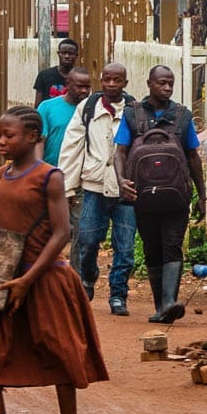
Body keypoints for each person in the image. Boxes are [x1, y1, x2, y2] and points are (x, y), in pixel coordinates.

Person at [0, 105, 109, 414]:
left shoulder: (50, 176)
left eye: (10, 135)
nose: (2, 141)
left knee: (59, 347)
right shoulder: (0, 175)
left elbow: (61, 232)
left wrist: (29, 279)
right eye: (0, 135)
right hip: (5, 277)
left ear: (34, 137)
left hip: (47, 277)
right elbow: (11, 220)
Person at [114, 65, 207, 323]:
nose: (167, 88)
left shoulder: (182, 116)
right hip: (142, 197)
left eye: (170, 83)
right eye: (162, 83)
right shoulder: (132, 114)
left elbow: (192, 156)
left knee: (172, 246)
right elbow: (121, 151)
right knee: (152, 248)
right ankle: (161, 307)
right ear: (149, 83)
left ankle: (168, 302)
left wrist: (202, 196)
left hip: (177, 197)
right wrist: (121, 181)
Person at [59, 63, 137, 315]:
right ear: (101, 81)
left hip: (125, 190)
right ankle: (88, 277)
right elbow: (72, 147)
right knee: (88, 240)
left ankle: (118, 296)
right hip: (93, 185)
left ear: (125, 82)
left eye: (117, 80)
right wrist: (67, 188)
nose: (112, 85)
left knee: (124, 248)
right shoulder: (87, 108)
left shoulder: (135, 111)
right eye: (107, 80)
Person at [36, 67, 90, 166]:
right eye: (79, 87)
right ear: (67, 84)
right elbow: (39, 141)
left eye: (87, 87)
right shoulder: (47, 107)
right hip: (51, 169)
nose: (84, 91)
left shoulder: (92, 109)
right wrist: (39, 169)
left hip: (80, 171)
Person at [33, 38, 80, 106]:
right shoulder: (44, 75)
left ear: (76, 55)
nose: (67, 56)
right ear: (58, 54)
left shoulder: (79, 78)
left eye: (70, 53)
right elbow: (38, 105)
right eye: (63, 53)